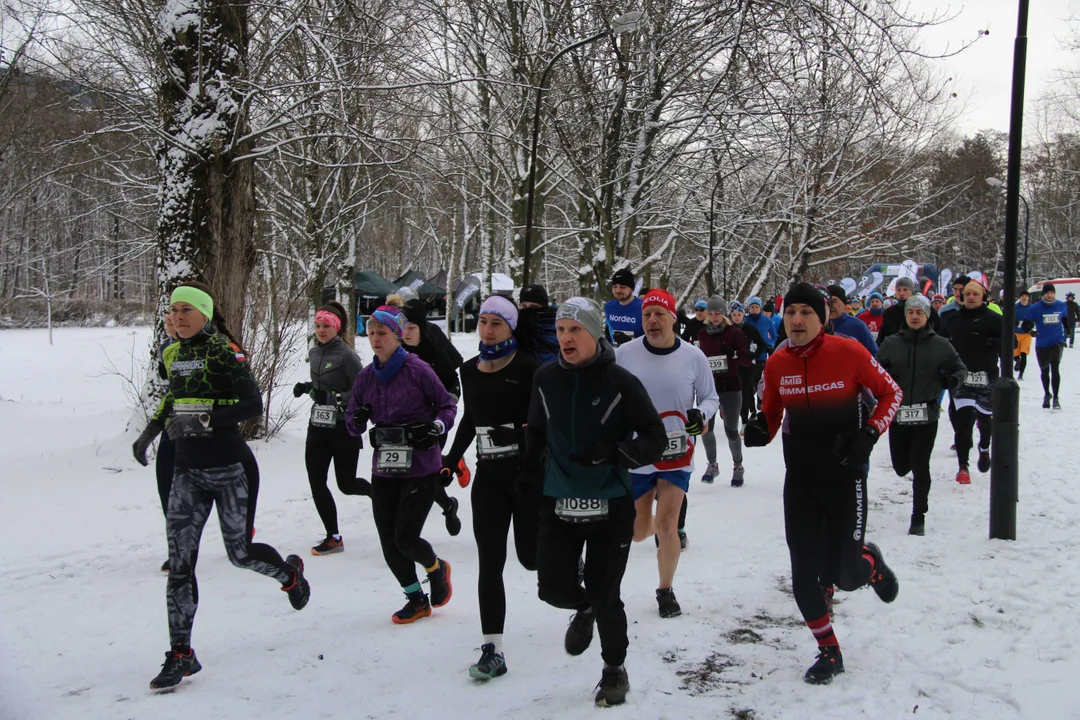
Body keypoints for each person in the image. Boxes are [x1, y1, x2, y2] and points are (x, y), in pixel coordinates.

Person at [133, 282, 310, 690]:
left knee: (240, 554)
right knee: (180, 565)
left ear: (204, 314)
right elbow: (172, 400)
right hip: (187, 472)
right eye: (172, 310)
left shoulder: (223, 352)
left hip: (230, 469)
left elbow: (252, 405)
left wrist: (206, 416)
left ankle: (290, 576)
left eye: (185, 311)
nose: (177, 317)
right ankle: (182, 654)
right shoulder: (173, 351)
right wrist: (150, 433)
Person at [743, 282, 901, 685]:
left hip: (844, 476)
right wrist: (761, 428)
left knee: (846, 575)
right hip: (801, 480)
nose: (796, 319)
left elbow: (891, 394)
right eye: (790, 311)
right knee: (803, 574)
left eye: (806, 312)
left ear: (823, 317)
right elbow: (772, 412)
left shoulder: (848, 351)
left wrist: (868, 433)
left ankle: (871, 563)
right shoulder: (777, 362)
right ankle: (829, 652)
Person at [521, 296, 666, 707]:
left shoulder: (620, 382)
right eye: (561, 330)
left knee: (607, 593)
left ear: (594, 333)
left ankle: (614, 670)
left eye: (575, 330)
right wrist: (529, 468)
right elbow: (535, 428)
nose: (566, 337)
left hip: (611, 503)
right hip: (559, 501)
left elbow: (654, 437)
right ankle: (582, 607)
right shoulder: (546, 379)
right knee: (551, 589)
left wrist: (614, 453)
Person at [441, 295, 541, 679]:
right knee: (490, 563)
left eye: (496, 323)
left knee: (530, 559)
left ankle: (570, 566)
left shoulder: (530, 369)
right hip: (488, 479)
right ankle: (492, 650)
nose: (487, 329)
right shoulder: (469, 370)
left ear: (511, 327)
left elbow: (542, 424)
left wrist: (524, 442)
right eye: (483, 321)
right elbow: (470, 418)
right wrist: (450, 460)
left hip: (526, 476)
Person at [346, 304, 456, 624]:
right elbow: (351, 425)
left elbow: (447, 407)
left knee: (405, 538)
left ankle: (436, 568)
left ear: (397, 335)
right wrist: (358, 419)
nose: (376, 339)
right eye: (371, 332)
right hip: (385, 467)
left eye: (382, 333)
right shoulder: (366, 377)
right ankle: (416, 600)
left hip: (421, 466)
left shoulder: (417, 369)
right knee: (388, 542)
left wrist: (434, 429)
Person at [616, 289, 718, 618]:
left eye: (660, 314)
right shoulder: (625, 354)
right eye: (646, 315)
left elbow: (709, 398)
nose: (652, 321)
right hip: (639, 451)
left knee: (666, 525)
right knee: (638, 531)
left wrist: (700, 415)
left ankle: (665, 590)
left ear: (673, 318)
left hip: (678, 449)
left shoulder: (693, 357)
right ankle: (648, 533)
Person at [877, 295, 967, 536]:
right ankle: (912, 489)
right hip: (898, 413)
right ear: (905, 316)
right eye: (910, 312)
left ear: (927, 316)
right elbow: (874, 369)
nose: (915, 316)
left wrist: (953, 380)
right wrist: (879, 383)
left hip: (926, 414)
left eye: (920, 312)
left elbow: (960, 369)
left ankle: (918, 516)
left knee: (920, 464)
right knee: (900, 466)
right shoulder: (891, 343)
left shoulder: (941, 344)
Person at [293, 301, 369, 555]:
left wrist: (336, 399)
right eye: (317, 325)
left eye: (326, 326)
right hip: (317, 427)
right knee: (317, 482)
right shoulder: (314, 352)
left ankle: (380, 494)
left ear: (337, 328)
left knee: (346, 484)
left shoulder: (347, 355)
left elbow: (363, 392)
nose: (321, 330)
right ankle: (333, 536)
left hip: (342, 428)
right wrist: (306, 388)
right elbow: (321, 385)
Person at [398, 298, 464, 534]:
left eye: (412, 328)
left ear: (421, 328)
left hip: (433, 425)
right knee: (408, 474)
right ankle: (447, 504)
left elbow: (453, 386)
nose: (406, 333)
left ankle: (411, 532)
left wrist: (443, 411)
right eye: (402, 327)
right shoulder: (395, 352)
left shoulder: (435, 353)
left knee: (424, 476)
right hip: (403, 424)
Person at [942, 281, 1002, 483]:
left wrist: (993, 342)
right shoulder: (951, 319)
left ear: (983, 296)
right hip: (962, 378)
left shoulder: (994, 319)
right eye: (967, 293)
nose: (970, 297)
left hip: (987, 376)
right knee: (963, 423)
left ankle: (984, 448)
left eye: (975, 294)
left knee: (984, 421)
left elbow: (1009, 344)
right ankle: (963, 467)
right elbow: (940, 343)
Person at [695, 296, 750, 485]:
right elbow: (697, 358)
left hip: (731, 387)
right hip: (708, 387)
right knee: (706, 428)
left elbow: (746, 360)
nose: (714, 316)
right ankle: (712, 464)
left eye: (717, 313)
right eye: (710, 313)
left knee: (731, 430)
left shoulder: (734, 333)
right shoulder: (702, 334)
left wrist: (732, 355)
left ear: (723, 313)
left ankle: (738, 466)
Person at [1025, 283, 1068, 409]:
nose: (1049, 295)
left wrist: (1067, 329)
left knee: (1055, 366)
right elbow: (1026, 324)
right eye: (1047, 293)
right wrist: (1030, 331)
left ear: (1054, 293)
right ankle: (1047, 394)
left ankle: (1056, 398)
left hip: (1057, 341)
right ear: (1043, 294)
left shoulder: (1061, 305)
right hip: (1042, 343)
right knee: (1044, 370)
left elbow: (1065, 319)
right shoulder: (1035, 308)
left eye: (1051, 293)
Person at [729, 301, 766, 424]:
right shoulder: (729, 330)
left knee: (743, 390)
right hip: (734, 364)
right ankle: (752, 410)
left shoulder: (750, 329)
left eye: (739, 314)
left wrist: (754, 354)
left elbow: (762, 344)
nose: (737, 317)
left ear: (743, 314)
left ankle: (744, 420)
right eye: (734, 315)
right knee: (746, 389)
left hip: (749, 364)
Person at [876, 277, 943, 344]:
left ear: (912, 291)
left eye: (905, 290)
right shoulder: (889, 313)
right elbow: (882, 337)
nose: (901, 293)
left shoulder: (924, 308)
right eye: (898, 290)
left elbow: (939, 328)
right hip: (896, 350)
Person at [826, 286, 877, 354]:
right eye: (827, 302)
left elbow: (873, 352)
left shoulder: (858, 326)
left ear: (844, 304)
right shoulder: (817, 326)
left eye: (834, 301)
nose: (830, 305)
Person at [517, 283, 560, 363]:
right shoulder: (516, 328)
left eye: (533, 306)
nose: (528, 310)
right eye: (524, 306)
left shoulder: (557, 329)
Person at [604, 268, 643, 346]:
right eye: (615, 286)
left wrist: (630, 340)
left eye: (622, 287)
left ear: (631, 288)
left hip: (638, 354)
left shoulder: (643, 306)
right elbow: (608, 330)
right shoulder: (608, 306)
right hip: (615, 354)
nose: (618, 290)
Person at [1013, 289, 1034, 380]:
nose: (1024, 298)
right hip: (1016, 333)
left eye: (1026, 296)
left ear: (1028, 298)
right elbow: (1008, 317)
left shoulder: (1032, 308)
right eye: (1022, 296)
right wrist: (1014, 322)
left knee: (1024, 353)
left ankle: (1021, 374)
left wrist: (1031, 324)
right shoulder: (1015, 307)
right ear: (1020, 298)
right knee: (1015, 355)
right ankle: (1018, 361)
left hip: (1026, 334)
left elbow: (1036, 318)